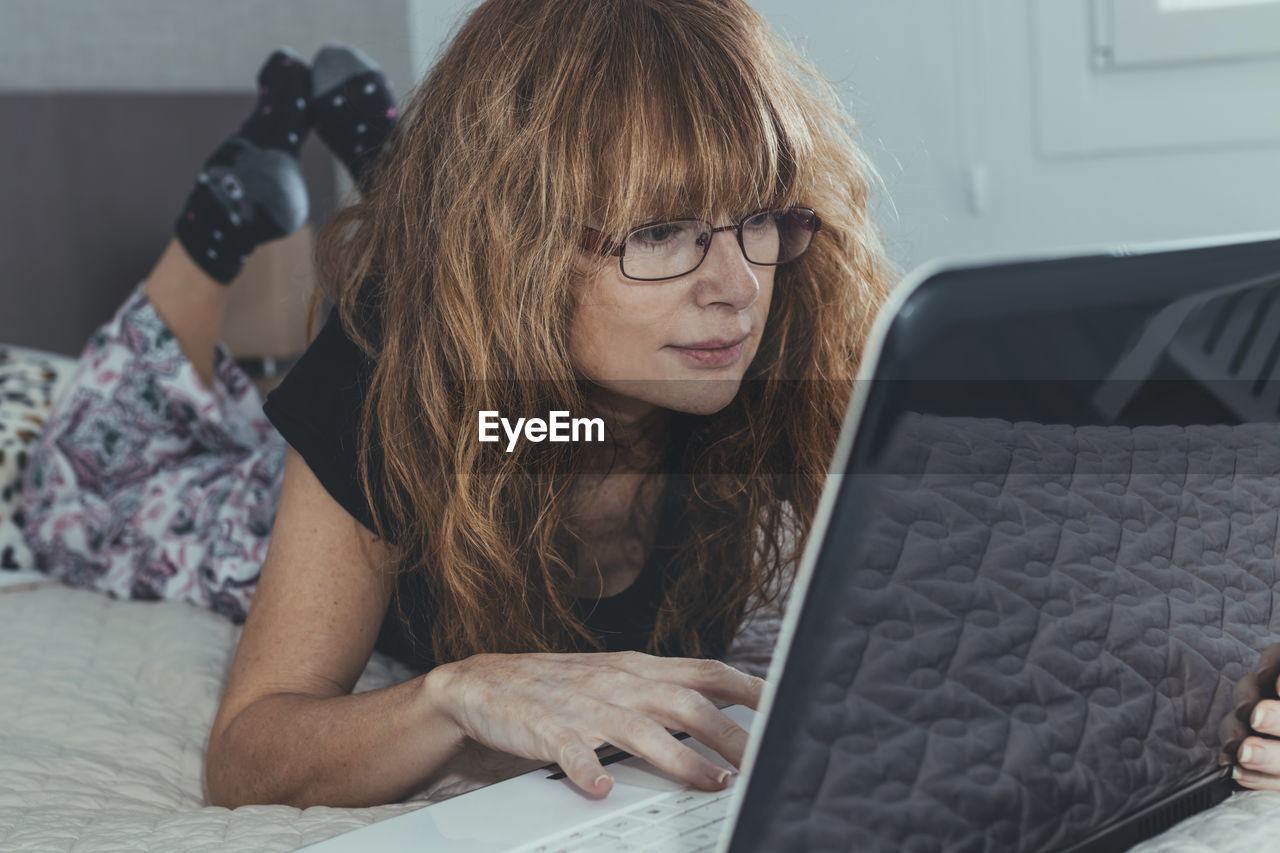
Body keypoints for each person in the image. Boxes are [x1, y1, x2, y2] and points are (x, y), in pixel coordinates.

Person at [22, 0, 897, 809]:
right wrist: (455, 694)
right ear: (513, 240)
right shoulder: (385, 371)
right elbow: (248, 749)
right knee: (85, 475)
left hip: (495, 375)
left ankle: (396, 170)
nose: (740, 285)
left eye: (759, 215)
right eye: (661, 231)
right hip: (277, 490)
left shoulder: (779, 334)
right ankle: (216, 224)